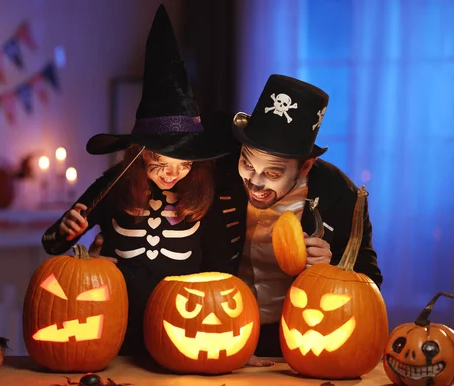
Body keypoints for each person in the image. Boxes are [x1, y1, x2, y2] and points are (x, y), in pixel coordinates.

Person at [41, 5, 233, 357]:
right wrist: (67, 231)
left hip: (186, 325)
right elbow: (51, 244)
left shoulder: (204, 196)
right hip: (114, 321)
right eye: (160, 161)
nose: (173, 173)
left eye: (185, 163)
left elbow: (223, 269)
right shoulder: (115, 185)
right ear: (139, 154)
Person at [211, 74, 383, 365]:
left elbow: (370, 281)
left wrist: (335, 269)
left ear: (305, 167)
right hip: (222, 329)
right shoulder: (217, 178)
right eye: (247, 163)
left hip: (300, 336)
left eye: (273, 173)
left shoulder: (341, 195)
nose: (254, 181)